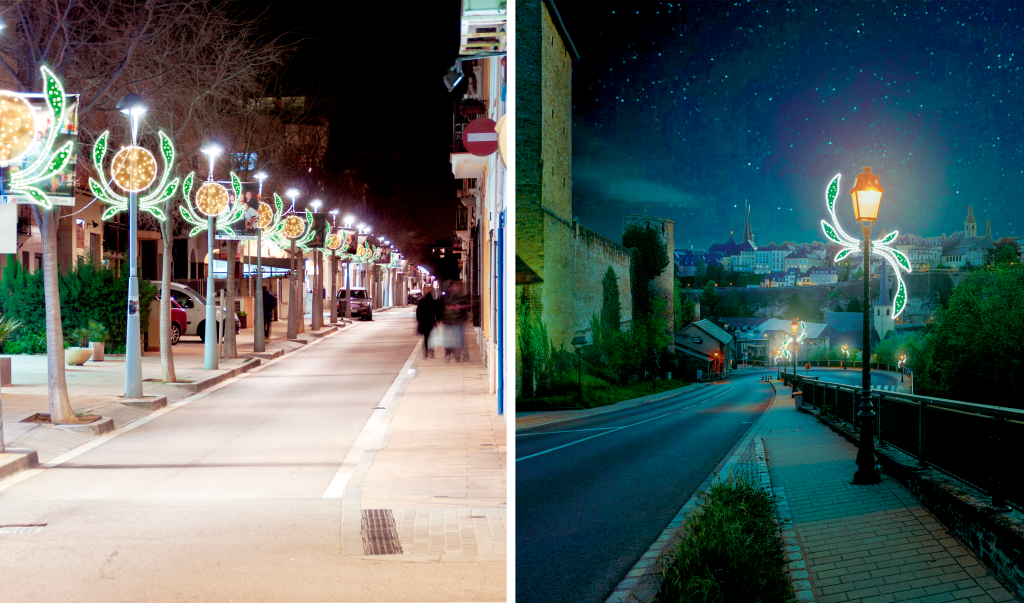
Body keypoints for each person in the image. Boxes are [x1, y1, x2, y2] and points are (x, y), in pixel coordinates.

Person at [443, 281, 469, 361]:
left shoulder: (462, 296)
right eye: (454, 287)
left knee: (459, 338)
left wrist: (454, 307)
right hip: (452, 320)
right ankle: (456, 354)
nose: (454, 288)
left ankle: (459, 355)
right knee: (456, 338)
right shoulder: (450, 296)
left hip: (459, 320)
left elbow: (467, 305)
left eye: (456, 287)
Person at [416, 287, 440, 358]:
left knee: (425, 337)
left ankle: (425, 353)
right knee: (432, 337)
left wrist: (419, 320)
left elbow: (418, 312)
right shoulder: (433, 302)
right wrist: (437, 320)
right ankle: (431, 352)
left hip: (423, 321)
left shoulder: (421, 302)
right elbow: (436, 312)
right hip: (431, 321)